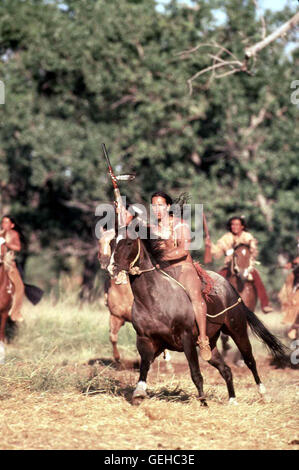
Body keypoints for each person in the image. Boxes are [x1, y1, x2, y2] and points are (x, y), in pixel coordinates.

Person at [149, 191, 212, 361]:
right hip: (162, 270)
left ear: (168, 206)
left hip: (183, 267)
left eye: (160, 205)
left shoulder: (180, 225)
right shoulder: (152, 228)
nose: (157, 209)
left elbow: (184, 250)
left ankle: (203, 339)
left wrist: (160, 257)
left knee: (195, 297)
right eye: (154, 205)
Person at [206, 216, 273, 313]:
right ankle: (212, 304)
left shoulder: (247, 236)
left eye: (237, 224)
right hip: (230, 266)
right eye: (232, 224)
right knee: (216, 280)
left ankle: (265, 304)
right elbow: (217, 252)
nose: (234, 226)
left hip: (246, 266)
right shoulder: (226, 238)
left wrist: (241, 251)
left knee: (257, 278)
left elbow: (253, 249)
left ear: (242, 226)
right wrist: (210, 245)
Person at [0, 215, 25, 322]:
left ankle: (15, 312)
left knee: (20, 287)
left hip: (8, 261)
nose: (4, 224)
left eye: (6, 222)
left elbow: (18, 247)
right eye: (3, 222)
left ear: (12, 225)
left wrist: (8, 244)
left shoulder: (14, 234)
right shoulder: (0, 233)